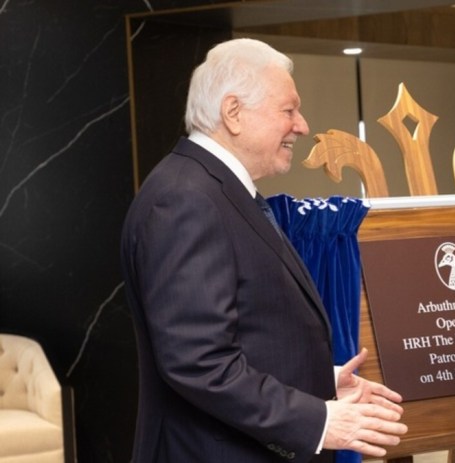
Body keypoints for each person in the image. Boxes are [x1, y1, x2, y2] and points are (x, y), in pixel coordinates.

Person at [120, 38, 407, 463]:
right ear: (233, 112)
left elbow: (247, 333)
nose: (302, 126)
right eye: (288, 110)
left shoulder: (214, 189)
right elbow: (200, 363)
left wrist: (318, 382)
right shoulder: (186, 199)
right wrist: (317, 420)